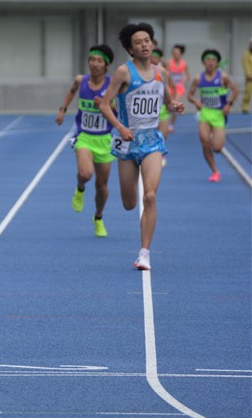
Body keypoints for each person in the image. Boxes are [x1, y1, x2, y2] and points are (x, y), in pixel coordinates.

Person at [99, 23, 184, 270]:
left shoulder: (162, 73)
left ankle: (144, 253)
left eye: (147, 40)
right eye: (138, 42)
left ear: (153, 44)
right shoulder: (124, 73)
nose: (144, 45)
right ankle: (141, 241)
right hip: (127, 143)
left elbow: (167, 102)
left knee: (150, 195)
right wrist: (120, 127)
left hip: (151, 142)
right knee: (129, 204)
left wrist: (175, 106)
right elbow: (105, 104)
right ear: (130, 49)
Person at [55, 44, 115, 237]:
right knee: (86, 173)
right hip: (84, 136)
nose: (95, 64)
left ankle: (98, 217)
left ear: (106, 65)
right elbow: (72, 91)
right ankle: (80, 189)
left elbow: (120, 110)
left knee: (102, 185)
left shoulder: (112, 84)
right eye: (92, 60)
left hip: (104, 139)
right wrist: (63, 109)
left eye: (99, 61)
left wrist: (106, 106)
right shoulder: (81, 80)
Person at [186, 49, 240, 182]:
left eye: (213, 60)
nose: (210, 62)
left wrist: (228, 105)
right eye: (207, 60)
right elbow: (189, 95)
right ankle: (215, 171)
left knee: (217, 148)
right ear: (203, 62)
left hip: (219, 114)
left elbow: (235, 90)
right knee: (204, 142)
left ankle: (214, 140)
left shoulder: (223, 77)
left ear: (217, 63)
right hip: (205, 113)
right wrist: (196, 102)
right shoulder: (198, 78)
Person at [167, 44, 190, 132]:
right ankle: (165, 120)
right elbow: (165, 73)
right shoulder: (169, 62)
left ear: (181, 54)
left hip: (179, 88)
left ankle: (171, 124)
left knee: (175, 104)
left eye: (177, 53)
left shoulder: (184, 63)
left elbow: (188, 76)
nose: (175, 54)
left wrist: (184, 79)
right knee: (169, 105)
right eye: (174, 53)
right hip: (170, 87)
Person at [242, 38, 252, 114]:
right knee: (247, 94)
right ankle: (245, 109)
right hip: (250, 79)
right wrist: (249, 75)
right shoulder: (246, 54)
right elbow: (246, 66)